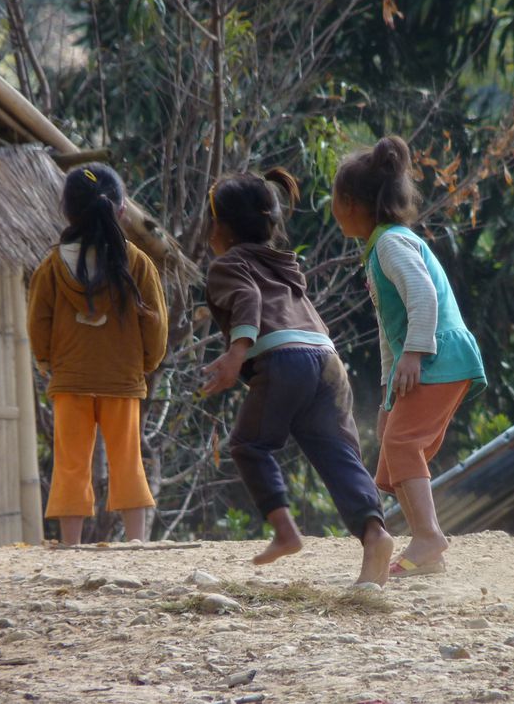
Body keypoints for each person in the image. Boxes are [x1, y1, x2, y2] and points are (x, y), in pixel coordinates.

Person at [201, 167, 394, 588]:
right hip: (326, 358)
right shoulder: (286, 264)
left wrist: (236, 355)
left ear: (219, 226)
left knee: (249, 444)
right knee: (338, 455)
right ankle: (375, 536)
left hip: (284, 360)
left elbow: (248, 298)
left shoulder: (227, 265)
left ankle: (286, 531)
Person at [331, 135, 487, 577]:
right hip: (434, 357)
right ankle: (429, 556)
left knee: (402, 443)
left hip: (439, 356)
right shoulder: (384, 244)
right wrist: (387, 394)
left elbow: (423, 298)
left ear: (352, 203)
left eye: (334, 198)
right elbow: (389, 333)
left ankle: (428, 536)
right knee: (393, 447)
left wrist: (415, 356)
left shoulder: (390, 244)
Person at [27, 163, 168, 546]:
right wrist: (147, 363)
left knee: (71, 463)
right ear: (121, 211)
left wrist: (46, 362)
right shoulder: (137, 262)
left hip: (70, 379)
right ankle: (136, 543)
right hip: (122, 379)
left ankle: (70, 544)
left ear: (66, 211)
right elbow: (155, 323)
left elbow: (38, 322)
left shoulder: (52, 265)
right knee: (127, 460)